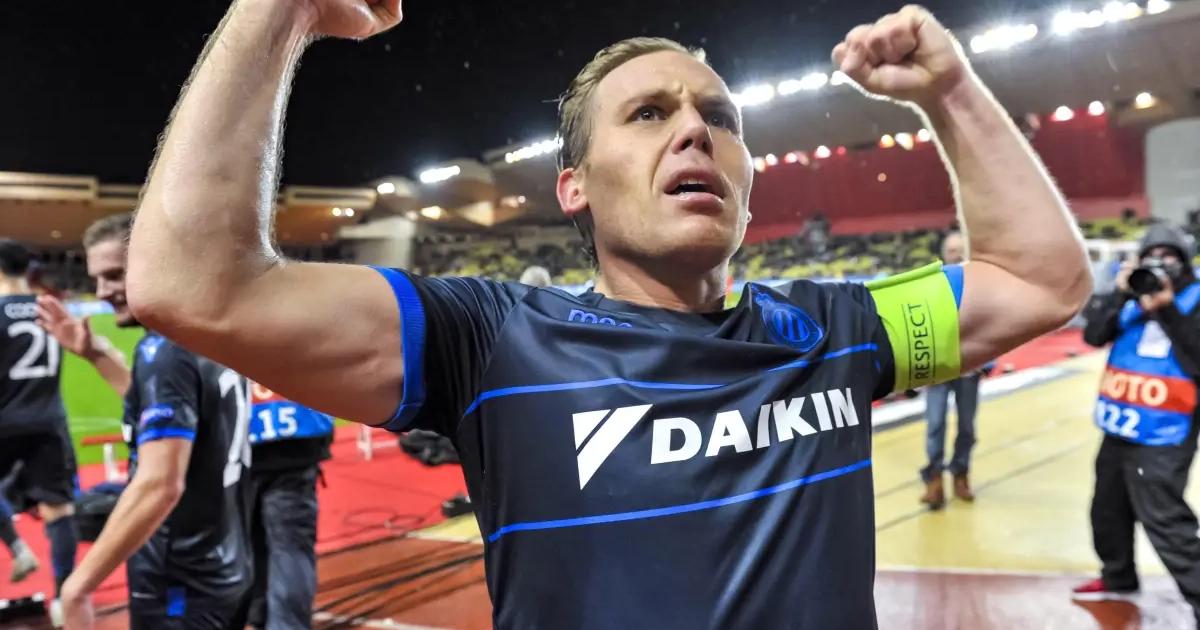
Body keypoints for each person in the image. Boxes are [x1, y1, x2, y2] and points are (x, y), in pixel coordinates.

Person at [124, 2, 1091, 628]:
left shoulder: (836, 332)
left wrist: (952, 92)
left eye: (719, 117)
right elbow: (195, 287)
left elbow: (1041, 281)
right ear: (575, 186)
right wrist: (278, 12)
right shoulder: (491, 342)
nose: (694, 129)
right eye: (649, 114)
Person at [36, 214, 254, 630]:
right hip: (226, 567)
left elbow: (160, 484)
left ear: (160, 263)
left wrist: (78, 586)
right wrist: (97, 356)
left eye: (115, 275)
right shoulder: (208, 332)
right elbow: (171, 418)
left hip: (180, 583)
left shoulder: (164, 352)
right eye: (97, 279)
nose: (103, 292)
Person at [1074, 223, 1200, 626]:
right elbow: (1094, 335)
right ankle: (1118, 577)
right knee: (1107, 511)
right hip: (1120, 427)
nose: (1160, 265)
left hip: (1165, 432)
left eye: (1169, 256)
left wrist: (1167, 308)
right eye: (1151, 257)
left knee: (1166, 522)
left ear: (1185, 262)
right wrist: (1121, 292)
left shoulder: (1195, 298)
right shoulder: (1131, 298)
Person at [0, 238, 78, 625]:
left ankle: (18, 549)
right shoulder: (50, 308)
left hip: (4, 420)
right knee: (59, 509)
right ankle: (66, 598)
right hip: (49, 421)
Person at [246, 383, 332, 630]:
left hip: (239, 448)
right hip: (297, 442)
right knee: (291, 550)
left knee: (243, 547)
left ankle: (261, 616)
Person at [919, 230, 985, 508]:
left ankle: (961, 474)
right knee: (935, 424)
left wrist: (987, 359)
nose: (956, 255)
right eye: (952, 250)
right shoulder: (930, 284)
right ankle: (934, 480)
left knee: (967, 427)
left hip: (969, 368)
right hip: (938, 369)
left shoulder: (980, 285)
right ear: (943, 254)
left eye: (960, 250)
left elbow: (989, 323)